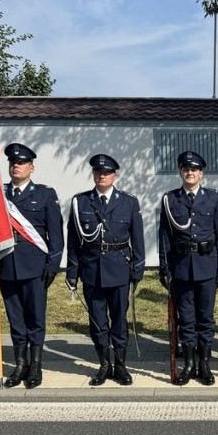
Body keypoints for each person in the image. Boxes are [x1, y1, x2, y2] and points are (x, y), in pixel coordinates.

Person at [66, 154, 145, 386]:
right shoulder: (80, 202)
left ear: (114, 175)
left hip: (120, 268)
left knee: (119, 320)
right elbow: (73, 241)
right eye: (98, 172)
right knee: (97, 321)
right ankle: (104, 365)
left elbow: (137, 239)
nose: (102, 176)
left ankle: (120, 366)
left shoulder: (129, 202)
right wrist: (72, 271)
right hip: (92, 270)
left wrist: (137, 269)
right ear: (93, 175)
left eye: (107, 172)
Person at [158, 150, 218, 385]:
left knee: (205, 318)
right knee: (186, 318)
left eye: (194, 169)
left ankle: (204, 364)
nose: (190, 172)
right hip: (181, 267)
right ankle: (188, 364)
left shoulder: (213, 198)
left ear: (201, 173)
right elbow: (165, 236)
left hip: (207, 266)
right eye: (186, 169)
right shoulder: (170, 199)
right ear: (180, 172)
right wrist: (164, 267)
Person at [0, 143, 64, 389]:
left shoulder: (45, 195)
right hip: (5, 266)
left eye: (21, 163)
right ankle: (20, 364)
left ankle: (36, 365)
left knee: (35, 318)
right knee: (16, 319)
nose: (16, 166)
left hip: (35, 267)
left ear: (31, 168)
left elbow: (56, 234)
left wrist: (53, 265)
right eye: (13, 163)